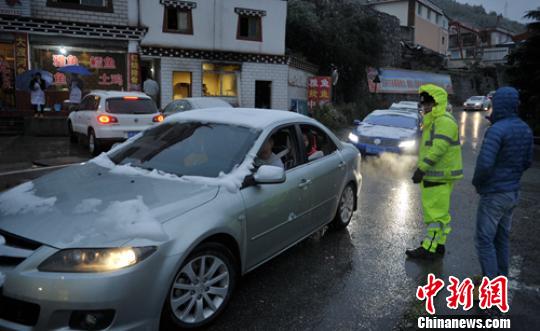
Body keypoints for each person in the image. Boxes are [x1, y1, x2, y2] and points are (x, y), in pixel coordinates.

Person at [473, 87, 533, 279]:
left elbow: (485, 165)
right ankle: (501, 277)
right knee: (501, 238)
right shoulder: (525, 128)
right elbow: (527, 162)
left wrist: (478, 183)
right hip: (512, 191)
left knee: (484, 239)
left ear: (499, 105)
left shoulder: (496, 130)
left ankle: (490, 285)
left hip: (494, 194)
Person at [406, 84, 463, 260]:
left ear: (437, 102)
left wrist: (421, 170)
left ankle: (428, 248)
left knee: (434, 215)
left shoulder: (443, 121)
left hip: (436, 175)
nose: (425, 107)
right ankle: (438, 244)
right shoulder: (435, 121)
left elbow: (438, 149)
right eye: (423, 105)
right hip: (437, 175)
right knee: (440, 215)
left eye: (428, 104)